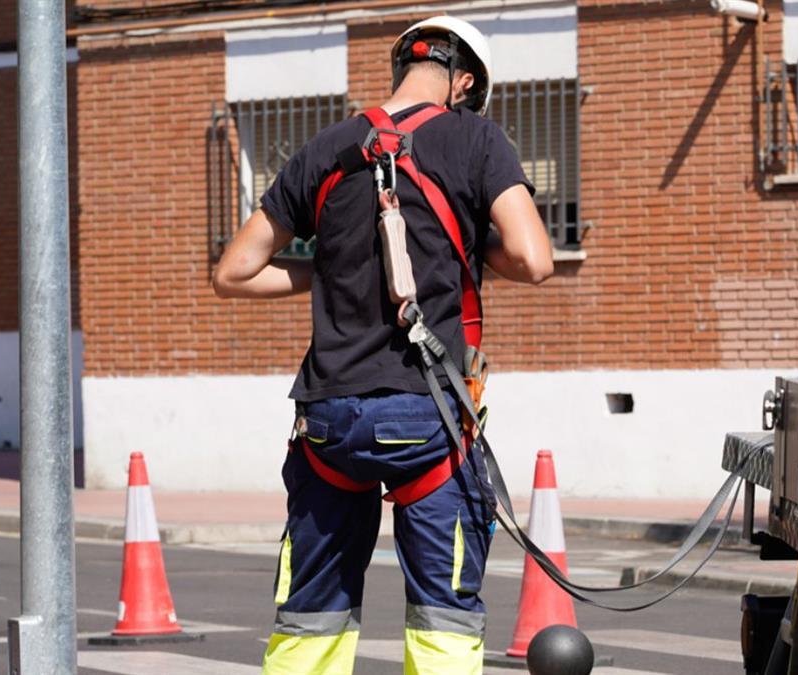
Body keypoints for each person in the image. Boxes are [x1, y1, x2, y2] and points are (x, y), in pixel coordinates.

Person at [213, 15, 553, 674]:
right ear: (463, 84)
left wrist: (338, 264)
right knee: (442, 619)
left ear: (402, 68)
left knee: (312, 616)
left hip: (330, 420)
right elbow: (534, 258)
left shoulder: (325, 148)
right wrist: (458, 256)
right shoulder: (477, 139)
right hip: (425, 417)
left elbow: (234, 271)